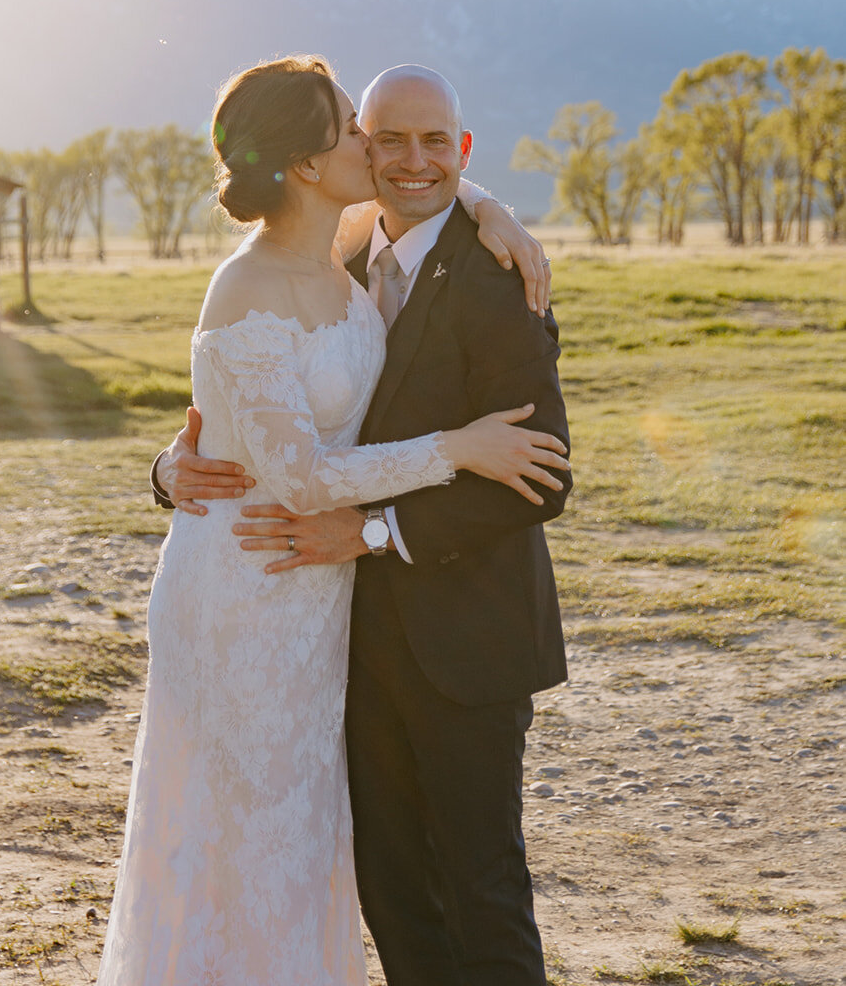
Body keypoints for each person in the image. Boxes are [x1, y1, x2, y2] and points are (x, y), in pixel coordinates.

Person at [96, 55, 570, 986]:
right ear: (317, 161)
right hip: (281, 599)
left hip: (434, 623)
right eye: (368, 132)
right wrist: (169, 469)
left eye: (429, 141)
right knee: (356, 877)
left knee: (469, 883)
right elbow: (273, 441)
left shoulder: (480, 269)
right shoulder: (321, 255)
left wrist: (491, 206)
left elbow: (542, 476)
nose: (390, 152)